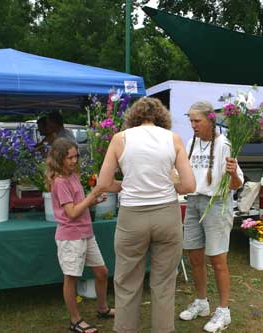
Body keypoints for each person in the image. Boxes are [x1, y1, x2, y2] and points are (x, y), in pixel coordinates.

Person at [94, 97, 196, 332]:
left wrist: (127, 184)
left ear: (133, 117)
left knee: (127, 281)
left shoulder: (121, 139)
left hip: (132, 217)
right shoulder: (173, 139)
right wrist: (171, 185)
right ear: (162, 118)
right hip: (167, 216)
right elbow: (189, 186)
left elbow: (103, 183)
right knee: (163, 282)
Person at [178, 101, 244, 333]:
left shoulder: (225, 144)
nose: (193, 125)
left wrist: (233, 172)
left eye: (197, 121)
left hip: (217, 204)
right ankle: (202, 302)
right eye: (191, 121)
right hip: (194, 202)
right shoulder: (190, 143)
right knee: (194, 256)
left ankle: (224, 311)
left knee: (217, 260)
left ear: (210, 120)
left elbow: (236, 185)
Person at [46, 138, 114, 333]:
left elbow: (78, 205)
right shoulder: (59, 182)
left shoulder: (73, 175)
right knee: (71, 278)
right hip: (70, 236)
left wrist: (92, 201)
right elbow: (72, 213)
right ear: (59, 159)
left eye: (76, 156)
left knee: (101, 272)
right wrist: (91, 197)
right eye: (70, 157)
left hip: (85, 232)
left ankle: (102, 308)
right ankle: (75, 321)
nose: (75, 160)